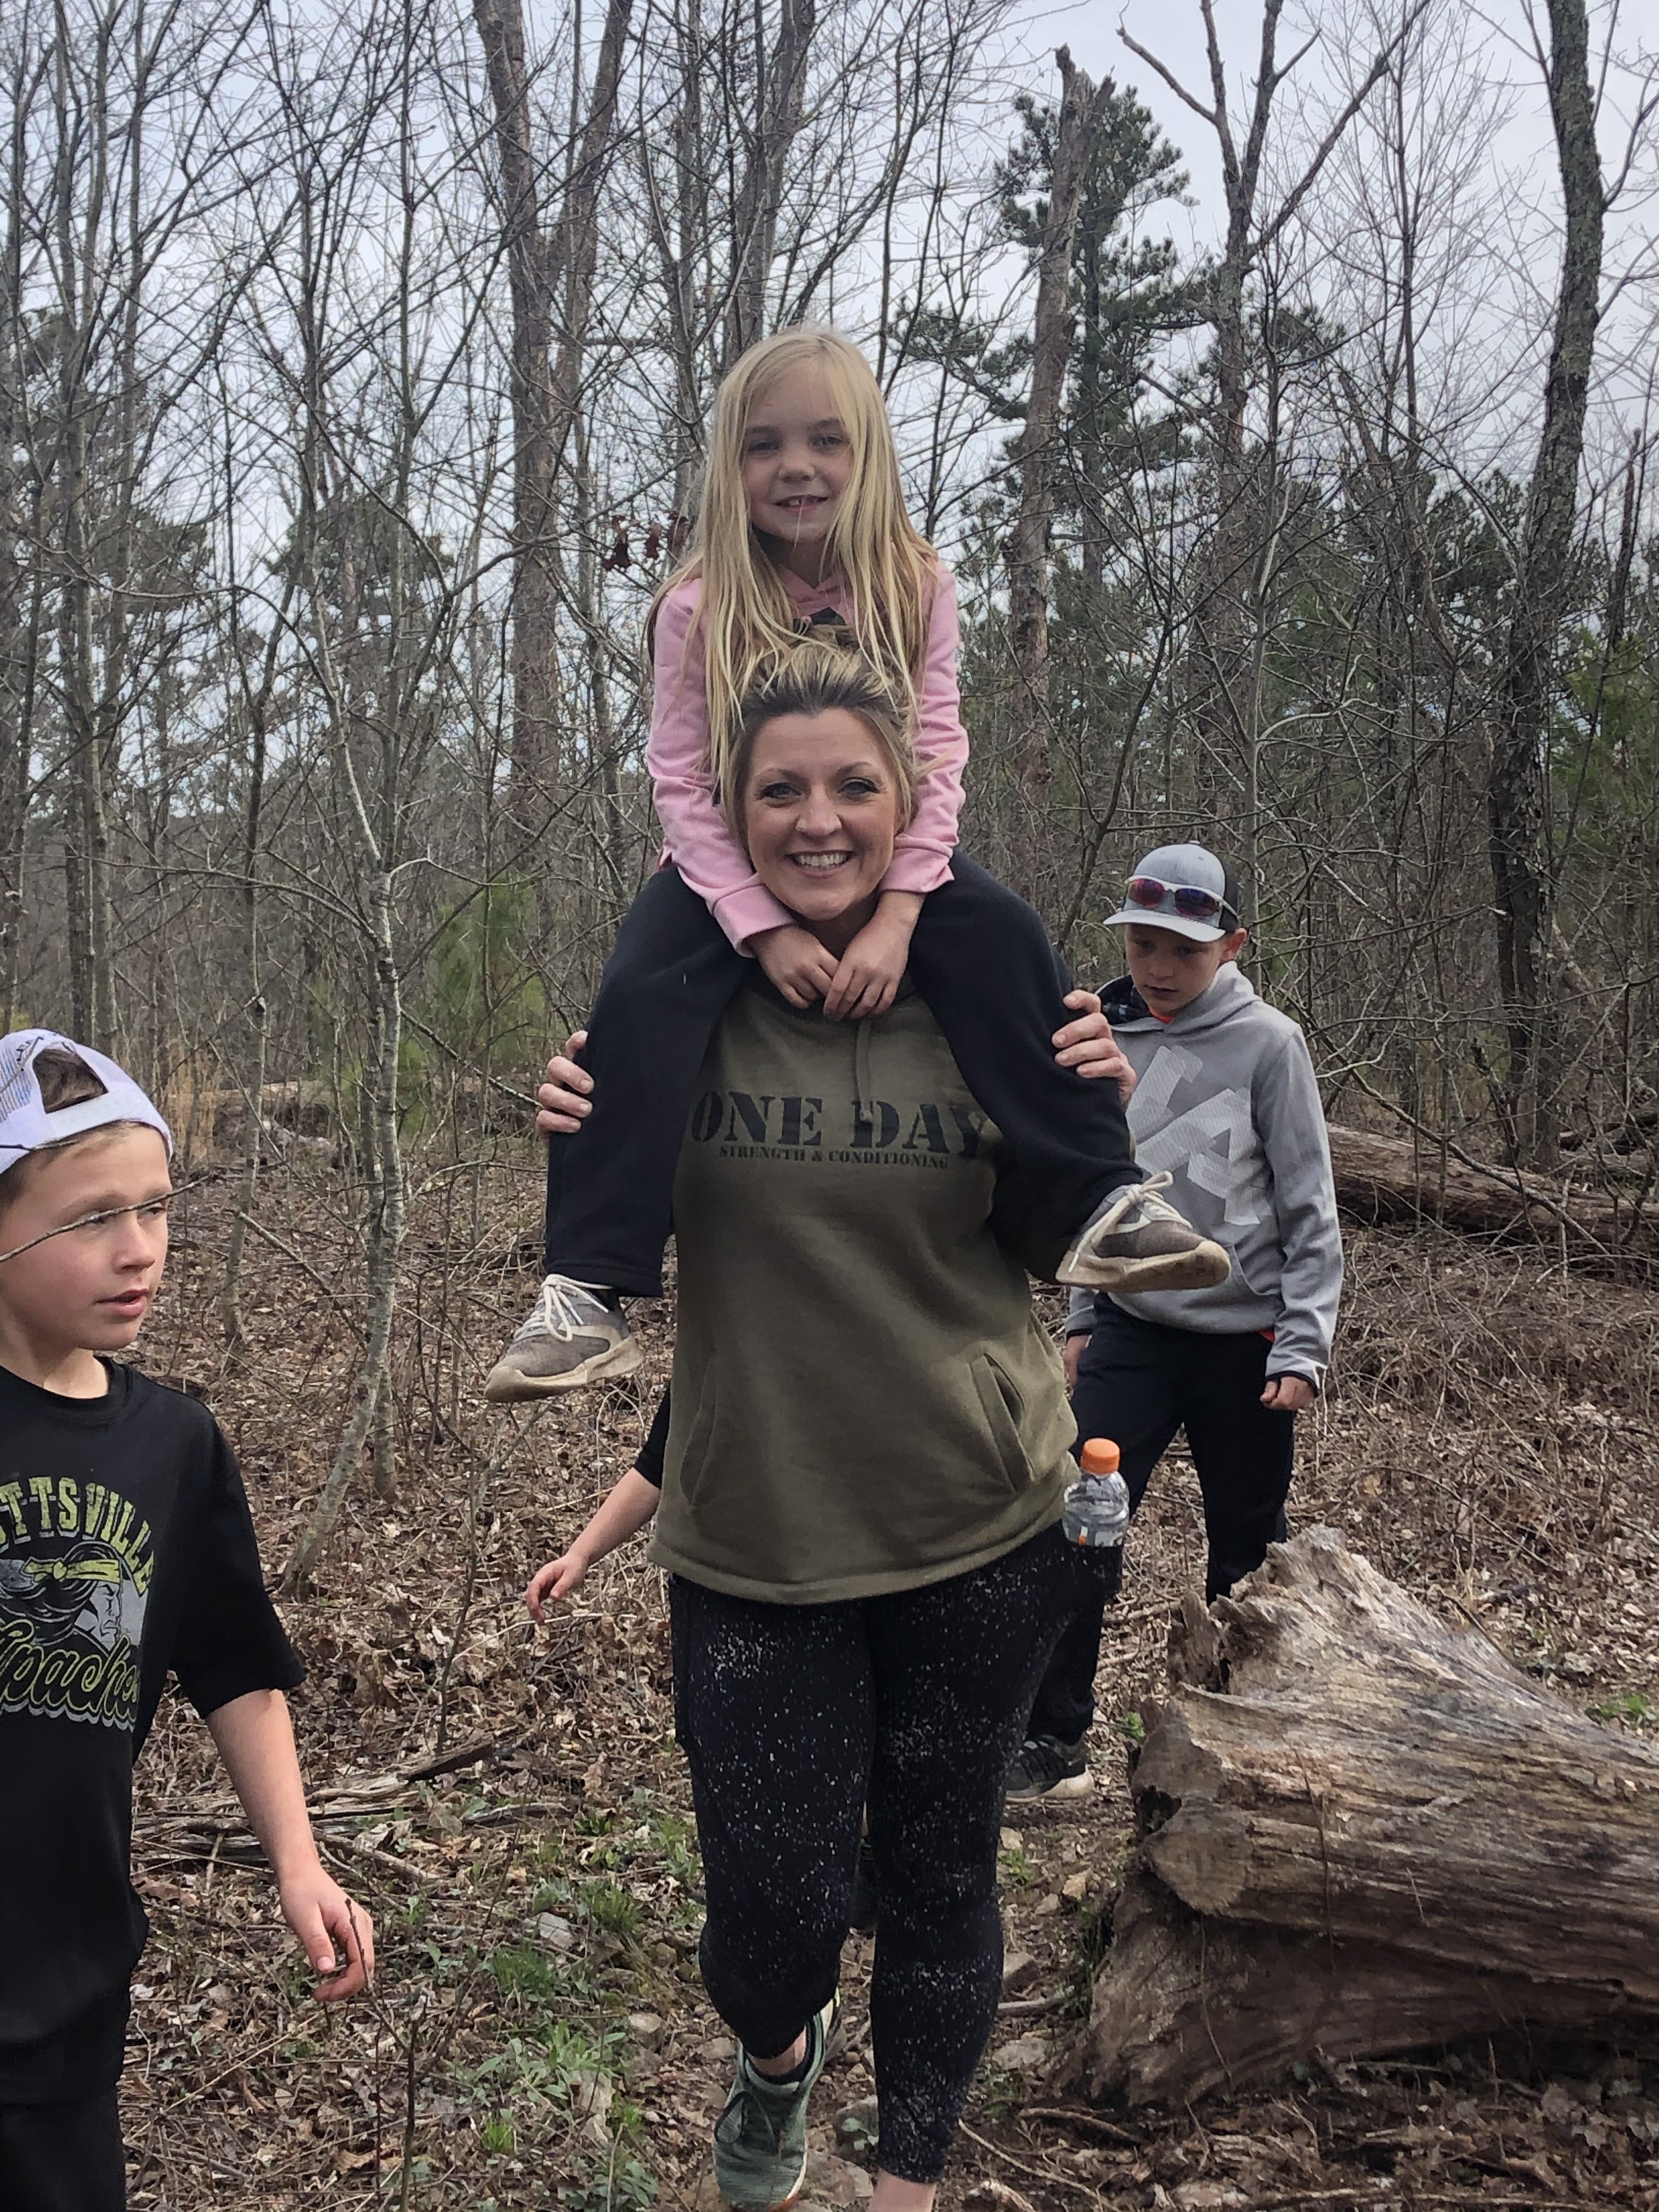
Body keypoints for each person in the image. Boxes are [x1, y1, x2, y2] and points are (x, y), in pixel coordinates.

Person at [525, 645, 1105, 2212]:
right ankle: (778, 2057)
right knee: (768, 1922)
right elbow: (614, 1216)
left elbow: (1062, 1234)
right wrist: (569, 1124)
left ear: (910, 803)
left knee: (939, 1874)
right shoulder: (678, 1007)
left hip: (976, 1517)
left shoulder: (983, 1000)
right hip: (757, 1531)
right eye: (779, 789)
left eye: (855, 784)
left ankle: (909, 2178)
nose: (820, 818)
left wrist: (1093, 1106)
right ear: (729, 814)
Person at [484, 323, 1223, 1402]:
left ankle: (1099, 1200)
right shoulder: (696, 606)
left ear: (868, 453)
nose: (797, 466)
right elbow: (682, 785)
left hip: (903, 862)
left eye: (826, 440)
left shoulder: (914, 584)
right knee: (639, 986)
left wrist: (901, 915)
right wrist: (760, 928)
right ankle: (586, 1288)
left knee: (1008, 937)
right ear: (731, 464)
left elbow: (938, 755)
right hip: (723, 873)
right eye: (766, 444)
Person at [0, 1030, 374, 2211]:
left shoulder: (173, 1447)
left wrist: (298, 1863)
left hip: (61, 1989)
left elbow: (235, 1671)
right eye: (92, 1219)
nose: (141, 1249)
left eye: (157, 1208)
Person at [1005, 844, 1344, 1801]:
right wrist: (1084, 1314)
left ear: (1230, 946)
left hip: (1249, 1342)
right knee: (1079, 1527)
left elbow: (1309, 1204)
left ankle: (1248, 1747)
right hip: (1134, 1331)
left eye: (1184, 951)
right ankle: (1053, 1738)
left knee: (1247, 1550)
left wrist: (1305, 1341)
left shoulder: (1270, 1045)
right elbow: (1093, 1192)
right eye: (1143, 945)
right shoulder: (1104, 1036)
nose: (1158, 968)